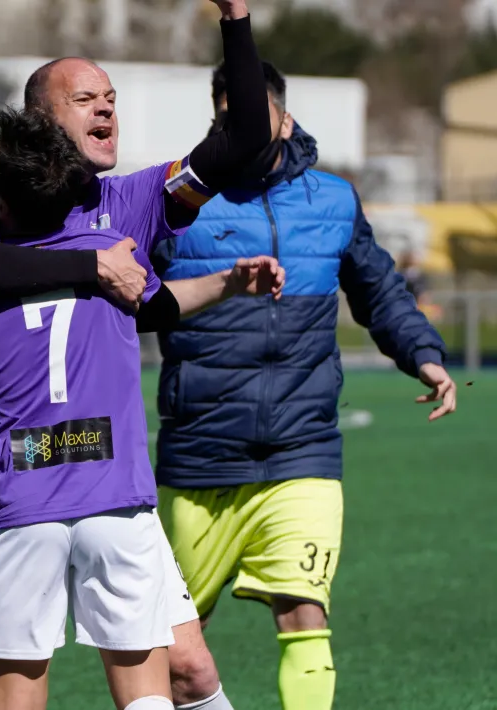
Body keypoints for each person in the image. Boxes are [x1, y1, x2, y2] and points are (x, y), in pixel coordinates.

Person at [0, 2, 270, 708]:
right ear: (43, 120)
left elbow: (240, 142)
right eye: (86, 99)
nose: (106, 109)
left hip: (24, 485)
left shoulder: (125, 199)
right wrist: (93, 268)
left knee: (53, 691)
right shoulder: (6, 207)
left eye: (111, 99)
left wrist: (235, 19)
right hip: (94, 485)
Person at [149, 61, 457, 710]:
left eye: (251, 120)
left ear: (284, 120)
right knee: (178, 653)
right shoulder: (173, 201)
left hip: (301, 451)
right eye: (225, 121)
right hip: (201, 454)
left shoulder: (335, 199)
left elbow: (379, 290)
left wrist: (424, 355)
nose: (236, 133)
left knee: (304, 617)